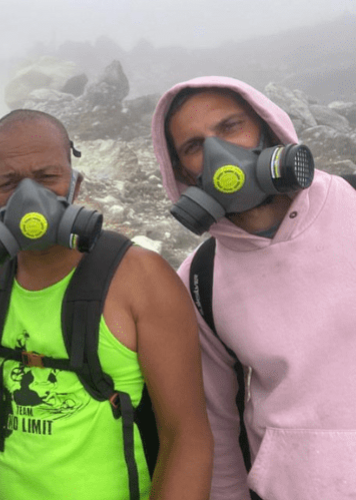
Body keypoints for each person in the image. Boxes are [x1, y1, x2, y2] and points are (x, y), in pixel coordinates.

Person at [0, 109, 213, 500]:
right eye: (9, 183)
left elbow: (186, 436)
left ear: (75, 184)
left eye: (48, 177)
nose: (30, 197)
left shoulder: (140, 279)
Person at [151, 76, 356, 499]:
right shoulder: (199, 279)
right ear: (183, 173)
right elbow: (214, 428)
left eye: (230, 127)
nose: (218, 155)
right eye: (194, 147)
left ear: (267, 128)